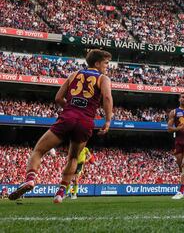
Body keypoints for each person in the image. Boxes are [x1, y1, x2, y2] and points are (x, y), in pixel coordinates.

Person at [9, 49, 113, 203]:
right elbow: (107, 97)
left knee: (38, 150)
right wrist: (108, 120)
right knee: (73, 158)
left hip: (68, 117)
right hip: (85, 121)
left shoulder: (74, 75)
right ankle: (60, 193)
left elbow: (58, 98)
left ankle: (31, 179)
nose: (107, 67)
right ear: (97, 63)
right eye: (106, 63)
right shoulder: (103, 79)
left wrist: (71, 108)